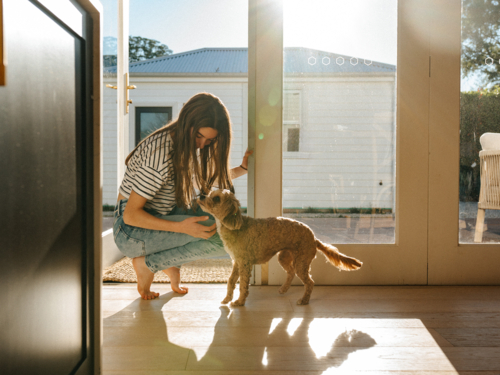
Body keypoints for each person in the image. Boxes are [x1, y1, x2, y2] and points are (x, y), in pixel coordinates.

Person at [113, 92, 252, 299]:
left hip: (161, 214)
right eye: (199, 136)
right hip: (131, 231)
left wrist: (242, 168)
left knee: (225, 221)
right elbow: (131, 215)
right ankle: (148, 264)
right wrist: (181, 227)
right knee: (220, 238)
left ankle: (168, 263)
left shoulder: (181, 142)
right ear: (187, 122)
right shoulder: (159, 155)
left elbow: (205, 179)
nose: (203, 144)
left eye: (210, 140)